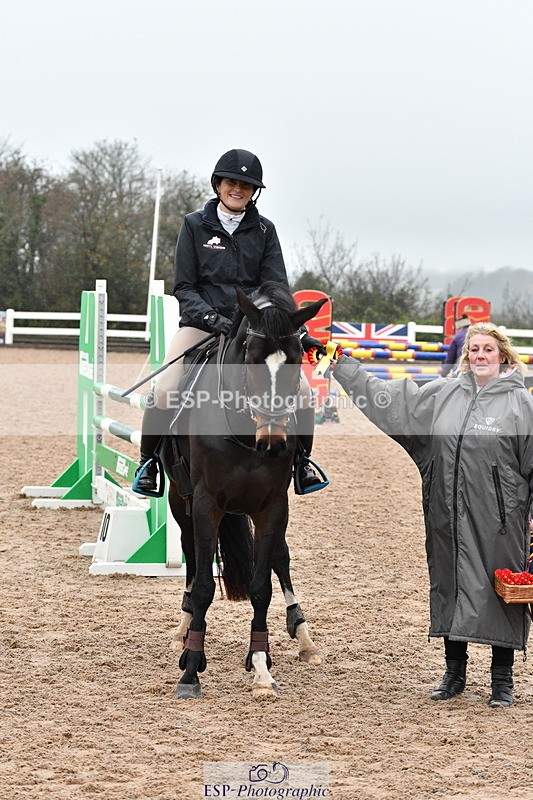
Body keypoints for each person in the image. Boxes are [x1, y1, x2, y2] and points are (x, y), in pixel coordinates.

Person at [330, 322, 533, 707]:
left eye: (488, 349)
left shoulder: (521, 404)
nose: (480, 356)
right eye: (474, 349)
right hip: (446, 513)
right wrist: (343, 366)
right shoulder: (444, 393)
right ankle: (453, 673)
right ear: (466, 355)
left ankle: (502, 682)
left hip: (501, 521)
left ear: (503, 355)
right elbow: (387, 399)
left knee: (500, 594)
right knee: (450, 585)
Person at [135, 148, 325, 495]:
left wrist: (294, 329)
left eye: (246, 185)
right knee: (164, 389)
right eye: (232, 182)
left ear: (254, 192)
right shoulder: (194, 225)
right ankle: (148, 464)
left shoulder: (265, 230)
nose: (238, 189)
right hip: (201, 324)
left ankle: (302, 464)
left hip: (254, 328)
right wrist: (212, 318)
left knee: (304, 392)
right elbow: (185, 286)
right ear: (218, 184)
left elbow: (276, 287)